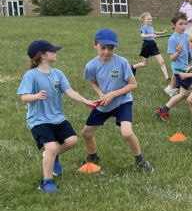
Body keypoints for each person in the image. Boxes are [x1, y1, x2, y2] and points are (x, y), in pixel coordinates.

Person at [17, 39, 97, 193]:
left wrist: (85, 101)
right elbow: (24, 97)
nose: (55, 52)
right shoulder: (31, 75)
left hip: (57, 117)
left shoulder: (57, 73)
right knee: (52, 147)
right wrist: (36, 96)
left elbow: (70, 91)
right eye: (52, 50)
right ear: (43, 55)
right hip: (38, 120)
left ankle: (51, 156)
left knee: (72, 140)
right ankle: (46, 182)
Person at [81, 28, 154, 172]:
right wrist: (102, 95)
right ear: (95, 44)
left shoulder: (122, 62)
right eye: (103, 47)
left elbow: (133, 85)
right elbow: (93, 82)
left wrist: (112, 94)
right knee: (86, 133)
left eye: (111, 48)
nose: (107, 52)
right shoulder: (91, 66)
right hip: (104, 104)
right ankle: (93, 157)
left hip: (122, 102)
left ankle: (140, 160)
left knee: (126, 133)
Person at [131, 12, 171, 92]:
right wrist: (152, 35)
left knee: (162, 62)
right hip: (146, 46)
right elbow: (142, 36)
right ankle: (133, 67)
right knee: (145, 64)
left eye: (151, 19)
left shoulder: (150, 27)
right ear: (143, 20)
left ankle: (167, 78)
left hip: (153, 45)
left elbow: (153, 32)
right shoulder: (143, 28)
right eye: (148, 19)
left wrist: (162, 33)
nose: (150, 20)